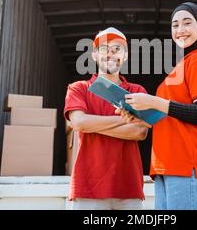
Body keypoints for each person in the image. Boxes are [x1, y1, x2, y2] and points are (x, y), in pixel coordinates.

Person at [118, 2, 197, 210]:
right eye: (175, 25)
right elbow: (172, 115)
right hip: (166, 166)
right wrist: (141, 117)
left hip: (187, 166)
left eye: (187, 23)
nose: (180, 30)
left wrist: (152, 101)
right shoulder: (181, 65)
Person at [64, 27, 149, 210]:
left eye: (117, 49)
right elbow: (79, 123)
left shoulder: (136, 91)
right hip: (88, 187)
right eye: (104, 49)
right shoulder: (78, 88)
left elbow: (140, 131)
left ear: (125, 56)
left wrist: (91, 123)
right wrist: (127, 119)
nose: (110, 54)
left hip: (128, 187)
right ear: (94, 55)